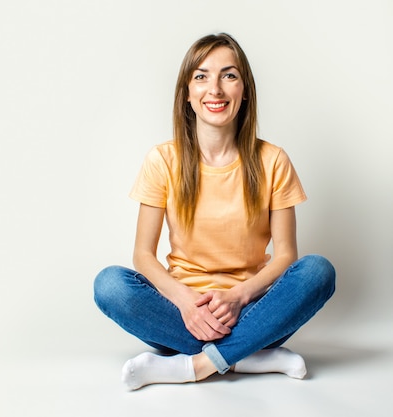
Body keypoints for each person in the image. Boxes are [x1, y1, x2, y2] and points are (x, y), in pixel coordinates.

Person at [93, 32, 335, 391]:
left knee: (318, 271)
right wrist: (187, 303)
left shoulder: (273, 160)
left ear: (245, 90)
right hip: (181, 316)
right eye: (201, 76)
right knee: (109, 284)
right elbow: (143, 256)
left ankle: (195, 365)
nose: (216, 89)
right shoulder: (162, 160)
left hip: (255, 310)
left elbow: (286, 255)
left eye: (229, 75)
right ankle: (249, 356)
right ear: (187, 94)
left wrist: (238, 297)